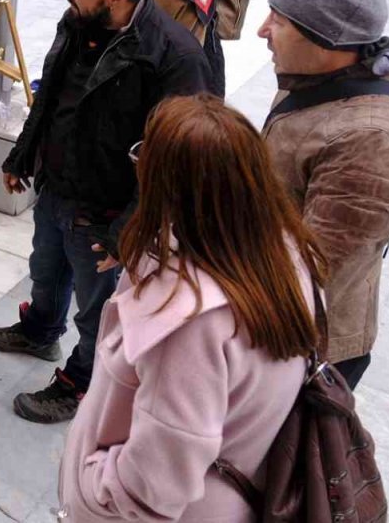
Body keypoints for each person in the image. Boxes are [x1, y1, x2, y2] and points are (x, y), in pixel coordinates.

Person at [58, 94, 324, 521]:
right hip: (237, 492)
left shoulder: (189, 321)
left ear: (167, 184)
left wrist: (91, 488)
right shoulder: (287, 256)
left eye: (145, 155)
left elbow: (152, 487)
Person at [0, 0, 211, 424]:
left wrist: (126, 230)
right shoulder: (78, 20)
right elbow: (51, 96)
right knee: (45, 271)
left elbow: (174, 163)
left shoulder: (175, 57)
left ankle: (83, 382)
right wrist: (22, 154)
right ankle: (40, 330)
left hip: (104, 214)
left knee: (96, 312)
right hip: (56, 189)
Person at [259, 0, 389, 390]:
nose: (262, 30)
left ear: (326, 39)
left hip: (301, 347)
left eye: (278, 20)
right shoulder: (314, 79)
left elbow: (313, 267)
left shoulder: (372, 142)